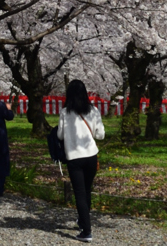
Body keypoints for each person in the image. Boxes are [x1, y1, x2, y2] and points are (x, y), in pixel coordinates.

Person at [57, 79, 105, 243]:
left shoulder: (65, 112)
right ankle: (83, 221)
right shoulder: (94, 110)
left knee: (79, 193)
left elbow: (60, 136)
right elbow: (101, 135)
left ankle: (86, 231)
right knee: (87, 190)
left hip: (74, 158)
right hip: (91, 156)